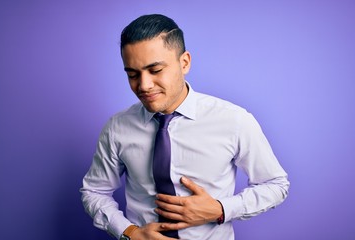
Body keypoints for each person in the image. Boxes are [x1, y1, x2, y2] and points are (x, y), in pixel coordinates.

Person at [80, 14, 289, 240]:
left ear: (185, 62)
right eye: (132, 74)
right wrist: (130, 233)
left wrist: (221, 209)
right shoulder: (117, 128)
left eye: (155, 70)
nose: (144, 85)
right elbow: (94, 191)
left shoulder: (234, 120)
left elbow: (275, 184)